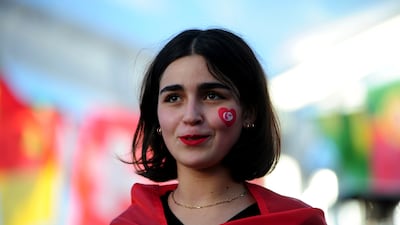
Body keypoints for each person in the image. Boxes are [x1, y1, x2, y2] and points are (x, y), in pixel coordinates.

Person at [110, 28, 327, 225]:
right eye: (174, 98)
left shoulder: (296, 221)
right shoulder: (130, 223)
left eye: (212, 96)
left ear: (249, 111)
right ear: (155, 116)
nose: (191, 116)